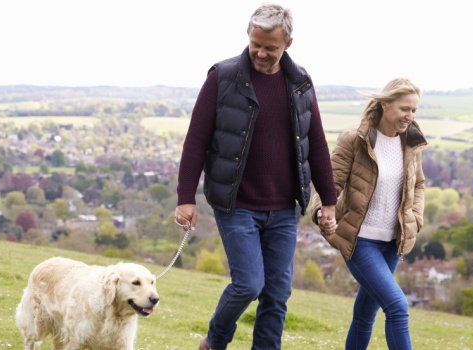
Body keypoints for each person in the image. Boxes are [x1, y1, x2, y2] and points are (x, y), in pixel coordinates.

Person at [173, 3, 337, 349]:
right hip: (237, 204)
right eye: (255, 44)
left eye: (270, 47)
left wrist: (330, 202)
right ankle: (215, 340)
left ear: (287, 44)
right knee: (248, 284)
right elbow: (196, 140)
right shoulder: (222, 77)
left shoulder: (300, 82)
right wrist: (185, 197)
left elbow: (317, 144)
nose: (261, 53)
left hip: (284, 210)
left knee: (277, 295)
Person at [309, 77, 428, 349]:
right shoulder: (355, 140)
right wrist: (321, 213)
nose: (410, 116)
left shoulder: (411, 145)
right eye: (404, 109)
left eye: (414, 111)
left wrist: (415, 218)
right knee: (397, 306)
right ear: (386, 105)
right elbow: (330, 183)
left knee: (365, 315)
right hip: (360, 240)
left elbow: (418, 184)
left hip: (391, 243)